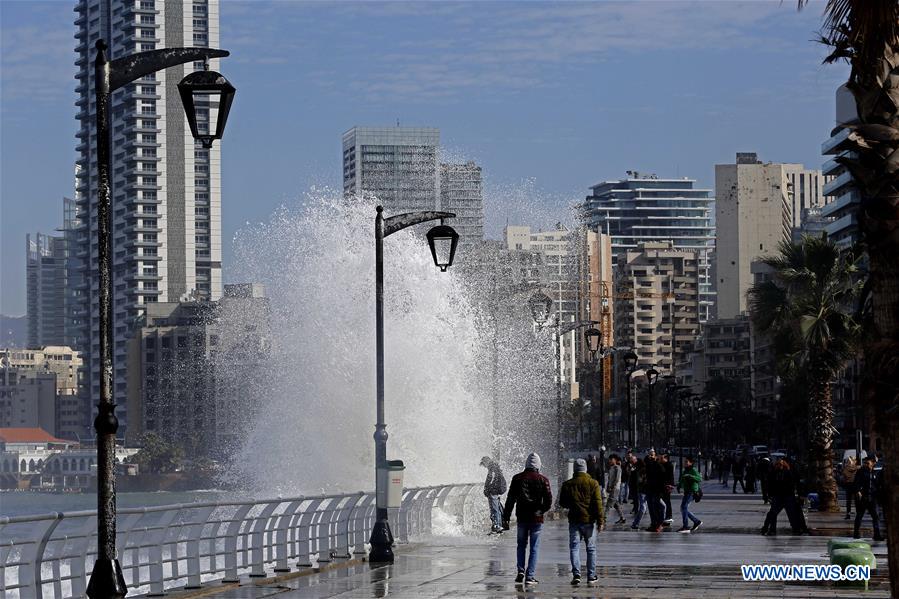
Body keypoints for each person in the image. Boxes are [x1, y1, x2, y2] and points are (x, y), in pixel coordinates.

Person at [502, 453, 552, 585]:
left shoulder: (517, 478)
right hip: (536, 519)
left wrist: (506, 517)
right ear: (538, 465)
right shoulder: (543, 479)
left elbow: (510, 499)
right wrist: (541, 510)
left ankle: (520, 571)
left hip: (522, 517)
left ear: (526, 464)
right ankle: (530, 576)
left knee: (521, 545)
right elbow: (548, 501)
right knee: (534, 547)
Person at [559, 458, 604, 585]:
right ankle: (591, 575)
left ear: (574, 469)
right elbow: (598, 504)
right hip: (589, 521)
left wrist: (573, 504)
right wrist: (601, 521)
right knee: (591, 548)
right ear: (585, 469)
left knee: (574, 548)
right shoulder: (593, 483)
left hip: (574, 520)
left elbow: (562, 503)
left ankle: (576, 574)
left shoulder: (567, 484)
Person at [761, 458, 797, 536]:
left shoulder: (788, 473)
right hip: (777, 496)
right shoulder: (773, 473)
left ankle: (795, 528)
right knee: (773, 513)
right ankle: (770, 529)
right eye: (778, 464)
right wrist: (770, 495)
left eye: (781, 464)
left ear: (784, 465)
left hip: (787, 496)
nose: (779, 466)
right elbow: (770, 485)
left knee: (791, 514)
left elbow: (791, 485)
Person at [853, 456, 884, 541]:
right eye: (866, 463)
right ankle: (856, 533)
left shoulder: (875, 472)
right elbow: (856, 482)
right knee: (859, 515)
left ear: (873, 463)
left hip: (873, 497)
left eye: (869, 463)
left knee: (876, 516)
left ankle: (877, 535)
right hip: (863, 497)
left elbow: (877, 484)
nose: (867, 464)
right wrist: (858, 491)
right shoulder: (861, 472)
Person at [479, 456, 507, 534]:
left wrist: (487, 489)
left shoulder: (492, 468)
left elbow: (491, 478)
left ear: (486, 462)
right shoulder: (495, 466)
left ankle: (496, 526)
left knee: (494, 509)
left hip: (494, 491)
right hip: (497, 490)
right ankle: (500, 525)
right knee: (497, 508)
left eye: (484, 464)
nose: (484, 466)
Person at [676, 456, 703, 533]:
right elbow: (682, 481)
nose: (685, 463)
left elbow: (699, 479)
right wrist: (678, 486)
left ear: (691, 463)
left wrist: (691, 476)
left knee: (683, 507)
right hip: (687, 492)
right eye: (684, 462)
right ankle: (696, 521)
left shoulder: (693, 470)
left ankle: (686, 526)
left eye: (686, 462)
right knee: (683, 508)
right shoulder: (685, 471)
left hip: (692, 492)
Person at [643, 450, 666, 532]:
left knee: (657, 507)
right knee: (651, 508)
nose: (651, 456)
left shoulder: (658, 466)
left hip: (657, 490)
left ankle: (659, 524)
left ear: (656, 456)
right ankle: (653, 524)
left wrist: (661, 492)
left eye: (652, 455)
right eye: (649, 455)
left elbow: (663, 479)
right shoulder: (649, 465)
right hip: (649, 489)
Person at [605, 454, 626, 524]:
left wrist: (612, 487)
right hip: (612, 488)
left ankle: (603, 518)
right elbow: (610, 478)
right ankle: (622, 518)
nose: (610, 461)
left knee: (609, 503)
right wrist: (608, 486)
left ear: (615, 460)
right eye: (609, 459)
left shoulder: (617, 468)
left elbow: (616, 479)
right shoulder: (611, 467)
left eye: (611, 459)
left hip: (615, 488)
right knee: (616, 504)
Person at [629, 456, 647, 530]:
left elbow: (638, 480)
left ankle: (635, 523)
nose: (631, 463)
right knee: (643, 507)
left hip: (642, 489)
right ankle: (635, 523)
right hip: (643, 490)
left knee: (643, 508)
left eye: (632, 461)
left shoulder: (639, 469)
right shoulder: (638, 469)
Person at [840, 456, 859, 520]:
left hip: (848, 485)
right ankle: (857, 514)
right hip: (855, 485)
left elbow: (844, 477)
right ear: (854, 461)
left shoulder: (845, 469)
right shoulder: (857, 468)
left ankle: (848, 514)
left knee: (848, 501)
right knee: (857, 500)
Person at [660, 453, 675, 525]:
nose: (660, 459)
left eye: (661, 458)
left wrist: (670, 485)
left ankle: (668, 516)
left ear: (666, 458)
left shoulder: (669, 465)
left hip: (667, 486)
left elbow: (669, 476)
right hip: (663, 486)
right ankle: (666, 517)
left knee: (667, 502)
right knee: (665, 501)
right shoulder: (663, 464)